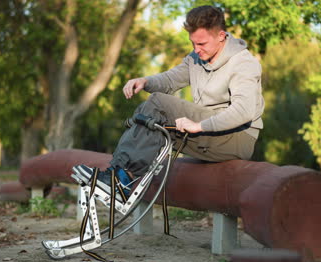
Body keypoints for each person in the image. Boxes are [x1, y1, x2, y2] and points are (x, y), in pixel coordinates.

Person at [73, 5, 265, 197]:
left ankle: (121, 179)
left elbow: (243, 111)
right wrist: (145, 81)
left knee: (158, 103)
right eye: (193, 43)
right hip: (210, 132)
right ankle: (116, 175)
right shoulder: (196, 58)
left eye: (202, 44)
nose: (196, 50)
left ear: (221, 36)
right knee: (147, 114)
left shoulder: (243, 63)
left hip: (237, 138)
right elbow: (171, 79)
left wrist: (200, 126)